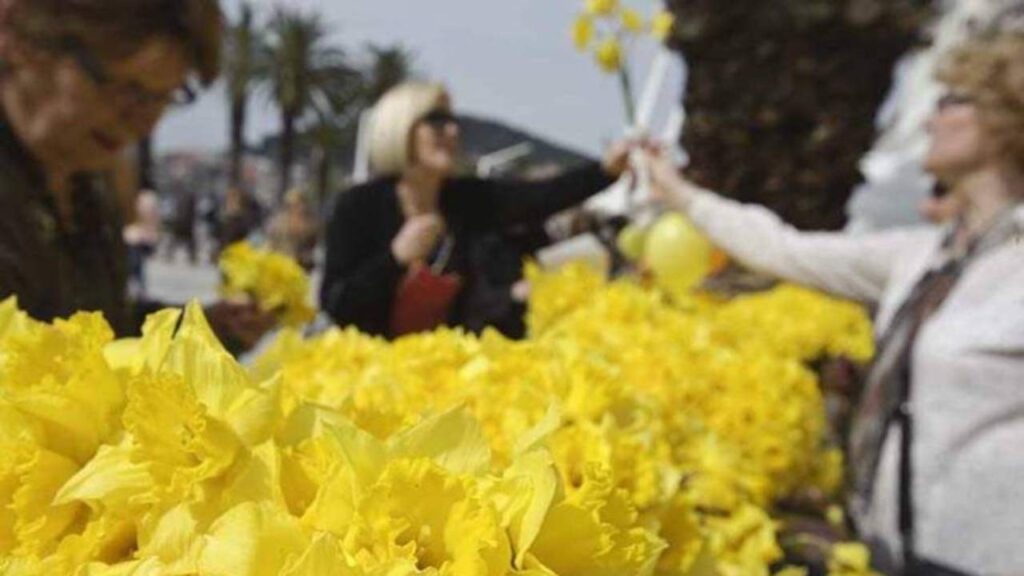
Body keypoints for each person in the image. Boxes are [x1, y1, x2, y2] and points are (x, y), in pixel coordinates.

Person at [644, 32, 1024, 576]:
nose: (929, 121)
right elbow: (784, 249)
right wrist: (678, 192)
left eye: (949, 102)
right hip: (894, 548)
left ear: (1005, 113)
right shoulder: (922, 258)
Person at [0, 0, 271, 350]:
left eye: (164, 98)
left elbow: (98, 330)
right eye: (122, 87)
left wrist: (203, 331)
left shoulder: (87, 183)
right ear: (21, 38)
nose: (142, 121)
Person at [320, 81, 632, 338]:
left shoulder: (467, 199)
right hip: (374, 373)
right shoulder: (358, 206)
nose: (452, 131)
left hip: (452, 367)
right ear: (401, 128)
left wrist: (605, 170)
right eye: (437, 121)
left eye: (453, 122)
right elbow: (337, 303)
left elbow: (541, 196)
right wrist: (395, 258)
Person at [123, 188, 161, 298]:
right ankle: (138, 287)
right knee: (136, 263)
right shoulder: (147, 199)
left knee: (136, 263)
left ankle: (138, 287)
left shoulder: (147, 198)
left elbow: (152, 225)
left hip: (141, 240)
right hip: (137, 238)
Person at [268, 187, 318, 271]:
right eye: (293, 204)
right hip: (279, 265)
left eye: (299, 204)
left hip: (300, 267)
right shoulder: (279, 222)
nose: (297, 207)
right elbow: (272, 243)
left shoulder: (310, 224)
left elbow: (311, 248)